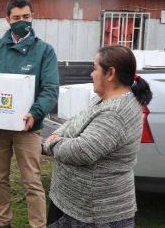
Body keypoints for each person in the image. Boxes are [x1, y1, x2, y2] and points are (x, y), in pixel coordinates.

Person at [0, 0, 59, 228]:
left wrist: (35, 112)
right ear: (8, 19)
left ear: (33, 17)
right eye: (17, 18)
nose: (22, 21)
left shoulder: (44, 51)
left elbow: (50, 89)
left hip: (28, 127)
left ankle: (37, 224)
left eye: (26, 17)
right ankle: (2, 221)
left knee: (32, 180)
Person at [43, 45, 153, 227]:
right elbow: (76, 120)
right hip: (77, 205)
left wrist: (51, 144)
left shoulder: (115, 113)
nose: (91, 74)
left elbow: (83, 151)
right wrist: (58, 133)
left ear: (110, 73)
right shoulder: (105, 100)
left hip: (95, 213)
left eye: (94, 68)